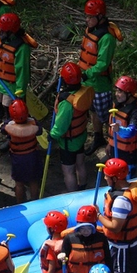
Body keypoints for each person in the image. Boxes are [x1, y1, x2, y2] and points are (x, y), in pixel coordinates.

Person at [79, 0, 123, 155]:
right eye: (87, 16)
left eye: (90, 17)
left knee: (106, 116)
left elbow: (102, 64)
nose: (87, 20)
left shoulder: (107, 38)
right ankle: (98, 138)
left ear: (100, 17)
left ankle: (112, 144)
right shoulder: (90, 31)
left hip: (100, 84)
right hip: (88, 82)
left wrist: (86, 73)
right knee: (93, 112)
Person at [50, 62, 94, 192]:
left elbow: (61, 126)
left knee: (68, 171)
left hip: (68, 142)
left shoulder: (67, 104)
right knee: (80, 163)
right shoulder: (83, 92)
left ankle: (73, 194)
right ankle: (83, 185)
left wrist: (52, 135)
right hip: (80, 136)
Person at [106, 75, 137, 178]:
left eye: (120, 92)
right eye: (117, 91)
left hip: (129, 153)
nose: (117, 94)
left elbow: (132, 131)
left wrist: (119, 129)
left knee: (127, 179)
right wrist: (110, 143)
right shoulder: (119, 104)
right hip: (115, 148)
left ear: (129, 94)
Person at [2, 99, 43, 202]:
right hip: (32, 156)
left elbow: (3, 130)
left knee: (19, 183)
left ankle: (19, 202)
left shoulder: (8, 125)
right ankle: (34, 200)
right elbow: (40, 131)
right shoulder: (33, 122)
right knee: (33, 181)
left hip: (18, 158)